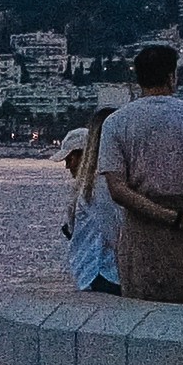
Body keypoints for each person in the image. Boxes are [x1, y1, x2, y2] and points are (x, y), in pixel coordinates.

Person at [96, 45, 183, 301]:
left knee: (139, 313)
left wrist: (168, 217)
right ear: (171, 76)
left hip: (140, 228)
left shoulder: (116, 122)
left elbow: (117, 189)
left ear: (139, 78)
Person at [58, 118, 120, 292]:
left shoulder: (94, 186)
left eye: (69, 159)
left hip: (99, 270)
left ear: (82, 155)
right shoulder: (91, 185)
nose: (67, 166)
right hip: (93, 270)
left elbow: (111, 229)